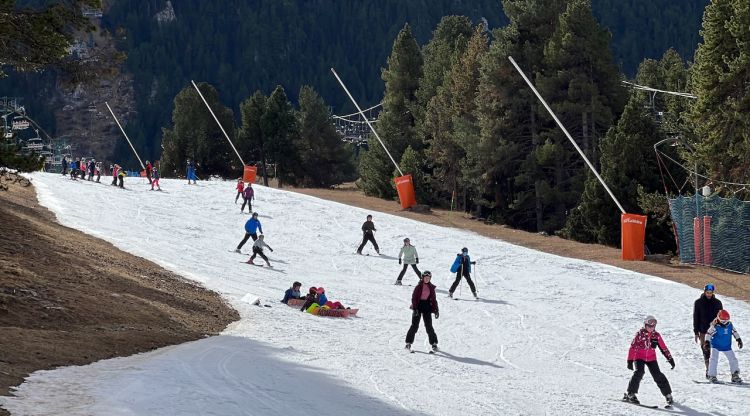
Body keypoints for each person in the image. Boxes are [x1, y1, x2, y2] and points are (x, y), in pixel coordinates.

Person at [623, 315, 674, 407]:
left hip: (651, 358)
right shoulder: (639, 334)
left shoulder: (656, 336)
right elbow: (633, 347)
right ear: (645, 325)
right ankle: (631, 393)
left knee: (657, 374)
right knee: (639, 372)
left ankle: (668, 394)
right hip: (639, 357)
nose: (651, 328)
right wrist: (630, 360)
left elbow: (663, 348)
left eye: (653, 326)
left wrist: (670, 359)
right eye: (649, 326)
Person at [706, 309, 743, 383]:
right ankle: (712, 375)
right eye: (723, 321)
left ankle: (735, 375)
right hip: (715, 345)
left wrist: (739, 339)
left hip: (726, 346)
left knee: (733, 359)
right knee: (713, 359)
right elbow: (708, 334)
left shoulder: (730, 325)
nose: (725, 323)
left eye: (727, 321)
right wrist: (707, 342)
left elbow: (734, 332)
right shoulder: (715, 326)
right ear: (719, 319)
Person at [405, 271, 439, 352]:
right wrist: (415, 308)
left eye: (428, 278)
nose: (427, 279)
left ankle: (434, 343)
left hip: (426, 306)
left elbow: (433, 300)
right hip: (418, 306)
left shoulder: (431, 287)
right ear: (422, 278)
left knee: (429, 326)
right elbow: (414, 298)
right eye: (425, 278)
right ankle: (408, 343)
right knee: (414, 325)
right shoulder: (418, 287)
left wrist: (436, 310)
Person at [694, 283, 723, 374]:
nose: (709, 294)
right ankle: (709, 370)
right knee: (706, 350)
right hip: (703, 331)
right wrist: (696, 332)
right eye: (707, 292)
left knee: (713, 351)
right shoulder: (698, 302)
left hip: (715, 330)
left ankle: (712, 369)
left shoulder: (718, 303)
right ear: (704, 292)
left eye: (711, 292)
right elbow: (696, 317)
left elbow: (721, 317)